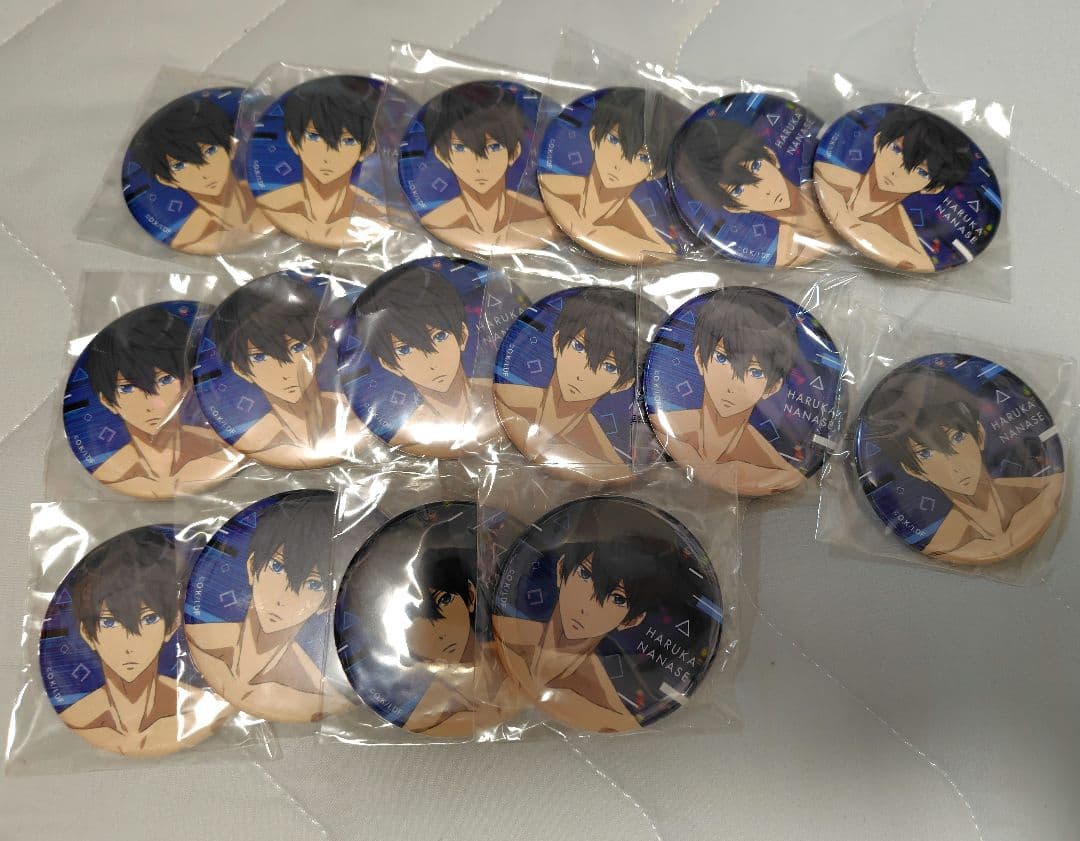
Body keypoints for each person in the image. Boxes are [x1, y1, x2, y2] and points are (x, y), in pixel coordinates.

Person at [861, 366, 1064, 563]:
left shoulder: (1047, 488)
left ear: (980, 435)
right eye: (926, 453)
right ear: (913, 470)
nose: (954, 465)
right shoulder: (946, 545)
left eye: (957, 437)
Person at [185, 493, 351, 722]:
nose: (283, 597)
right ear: (252, 566)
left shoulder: (317, 693)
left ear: (328, 603)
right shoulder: (199, 641)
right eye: (276, 567)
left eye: (313, 584)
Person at [60, 528, 212, 755]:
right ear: (88, 634)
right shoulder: (79, 719)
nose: (129, 644)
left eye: (149, 619)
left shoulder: (200, 707)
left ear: (171, 625)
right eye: (109, 622)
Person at [493, 539, 668, 732]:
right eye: (585, 574)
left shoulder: (607, 712)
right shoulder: (500, 636)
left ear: (631, 621)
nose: (588, 606)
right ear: (561, 568)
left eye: (617, 598)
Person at [652, 288, 805, 495]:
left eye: (755, 371)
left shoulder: (774, 471)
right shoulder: (661, 426)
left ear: (772, 387)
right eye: (722, 358)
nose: (733, 383)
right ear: (699, 359)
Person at [86, 306, 240, 497]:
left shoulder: (225, 446)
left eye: (165, 379)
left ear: (188, 381)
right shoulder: (114, 473)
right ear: (107, 401)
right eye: (127, 388)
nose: (152, 403)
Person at [212, 275, 361, 466]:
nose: (283, 372)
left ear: (321, 348)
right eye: (259, 357)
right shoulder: (258, 441)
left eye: (297, 347)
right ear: (241, 370)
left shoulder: (358, 416)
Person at [354, 263, 496, 455]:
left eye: (439, 336)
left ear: (462, 335)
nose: (431, 363)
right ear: (389, 365)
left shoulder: (506, 400)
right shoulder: (406, 434)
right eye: (405, 350)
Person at [814, 105, 974, 272]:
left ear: (933, 189)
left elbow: (922, 262)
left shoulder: (905, 246)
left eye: (921, 171)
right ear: (877, 141)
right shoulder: (823, 175)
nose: (897, 171)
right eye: (896, 149)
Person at [494, 287, 637, 470]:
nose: (582, 374)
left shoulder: (606, 459)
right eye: (578, 347)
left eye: (609, 366)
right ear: (556, 342)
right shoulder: (502, 398)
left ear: (623, 385)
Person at [538, 88, 682, 260]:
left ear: (656, 173)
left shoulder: (650, 240)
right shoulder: (549, 188)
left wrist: (605, 235)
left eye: (642, 157)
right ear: (593, 136)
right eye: (613, 140)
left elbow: (667, 252)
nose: (619, 163)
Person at [674, 116, 837, 267]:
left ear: (771, 155)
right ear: (734, 208)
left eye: (755, 166)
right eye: (737, 190)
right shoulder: (790, 254)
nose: (763, 190)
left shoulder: (832, 179)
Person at [419, 82, 555, 251]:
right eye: (460, 148)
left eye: (494, 147)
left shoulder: (539, 216)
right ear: (442, 156)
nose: (478, 165)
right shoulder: (439, 221)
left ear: (514, 153)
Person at [129, 94, 270, 254]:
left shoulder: (272, 196)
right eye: (179, 165)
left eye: (210, 150)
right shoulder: (191, 239)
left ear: (231, 145)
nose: (203, 173)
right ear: (165, 180)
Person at [257, 76, 386, 247]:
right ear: (293, 141)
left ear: (367, 149)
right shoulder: (273, 206)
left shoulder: (378, 214)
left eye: (348, 141)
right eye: (314, 136)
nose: (328, 155)